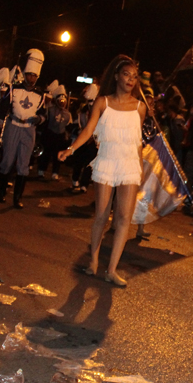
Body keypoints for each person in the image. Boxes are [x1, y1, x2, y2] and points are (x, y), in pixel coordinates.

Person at [58, 54, 145, 287]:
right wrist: (71, 149)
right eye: (126, 74)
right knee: (101, 215)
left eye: (134, 77)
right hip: (107, 160)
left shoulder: (140, 107)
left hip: (129, 164)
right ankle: (94, 261)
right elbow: (88, 131)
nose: (130, 80)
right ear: (116, 76)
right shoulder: (102, 102)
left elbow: (138, 142)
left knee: (124, 218)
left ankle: (112, 269)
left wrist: (140, 168)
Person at [0, 49, 46, 208]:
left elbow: (44, 114)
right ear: (25, 75)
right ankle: (1, 193)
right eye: (30, 75)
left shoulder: (41, 95)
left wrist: (39, 119)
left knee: (24, 165)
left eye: (35, 76)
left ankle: (17, 198)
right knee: (7, 161)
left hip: (28, 130)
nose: (32, 78)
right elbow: (2, 111)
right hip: (13, 126)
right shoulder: (13, 89)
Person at [38, 82, 71, 180]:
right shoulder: (50, 110)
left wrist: (67, 136)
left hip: (60, 136)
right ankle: (41, 171)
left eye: (63, 101)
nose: (62, 103)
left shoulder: (68, 113)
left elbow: (68, 126)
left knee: (58, 155)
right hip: (50, 134)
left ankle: (55, 172)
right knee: (46, 154)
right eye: (60, 101)